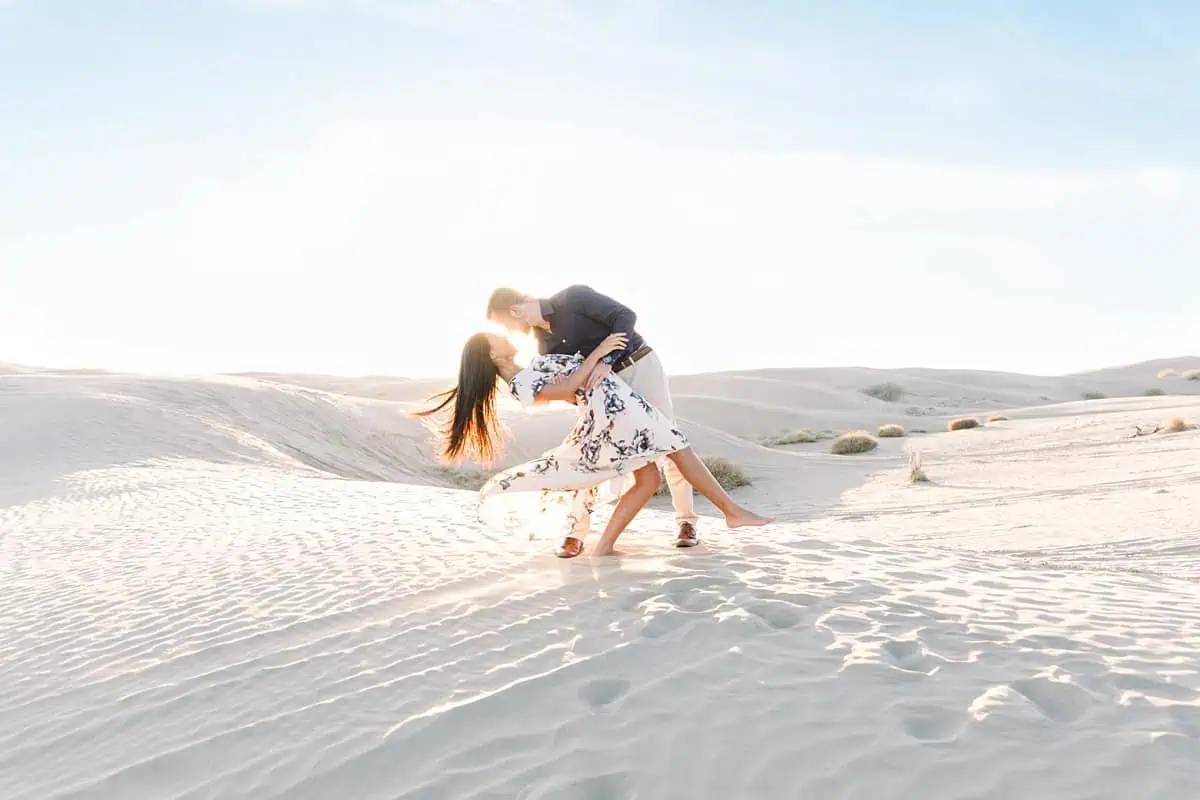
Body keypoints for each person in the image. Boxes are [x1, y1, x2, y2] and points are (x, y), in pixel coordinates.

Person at [417, 331, 773, 558]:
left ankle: (603, 547)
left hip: (618, 405)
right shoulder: (519, 383)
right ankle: (731, 512)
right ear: (492, 355)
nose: (505, 336)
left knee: (649, 480)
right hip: (618, 413)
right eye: (497, 338)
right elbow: (568, 389)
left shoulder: (529, 366)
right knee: (678, 448)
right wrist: (600, 349)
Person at [486, 285, 701, 553]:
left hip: (638, 366)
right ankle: (576, 533)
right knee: (590, 456)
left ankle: (686, 522)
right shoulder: (543, 345)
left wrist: (607, 359)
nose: (508, 331)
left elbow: (624, 316)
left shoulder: (573, 298)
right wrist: (571, 391)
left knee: (669, 443)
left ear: (515, 310)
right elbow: (568, 382)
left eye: (504, 323)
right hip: (604, 392)